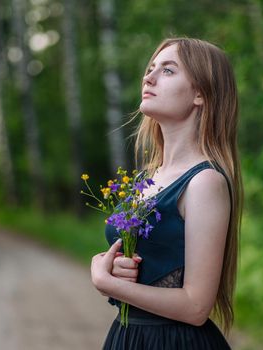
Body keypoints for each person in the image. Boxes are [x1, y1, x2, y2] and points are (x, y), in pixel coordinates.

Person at [91, 37, 243, 349]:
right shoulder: (149, 178)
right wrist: (110, 265)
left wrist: (107, 283)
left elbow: (196, 307)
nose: (149, 77)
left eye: (169, 71)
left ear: (200, 93)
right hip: (129, 337)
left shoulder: (204, 182)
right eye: (151, 69)